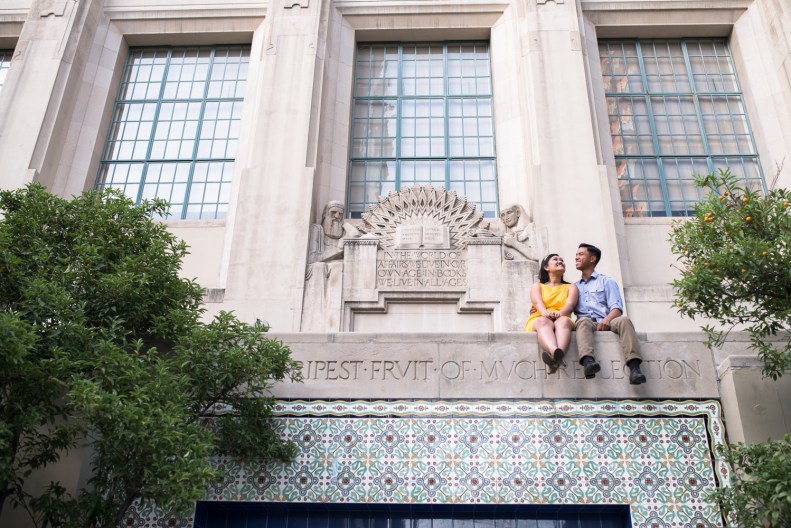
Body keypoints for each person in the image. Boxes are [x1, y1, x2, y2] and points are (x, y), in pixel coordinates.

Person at [573, 242, 646, 385]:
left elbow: (617, 308)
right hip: (587, 323)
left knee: (624, 320)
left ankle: (635, 368)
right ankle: (588, 363)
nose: (576, 257)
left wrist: (606, 320)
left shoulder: (606, 281)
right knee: (582, 321)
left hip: (608, 320)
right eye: (576, 255)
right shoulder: (573, 287)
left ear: (592, 258)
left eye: (581, 254)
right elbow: (564, 306)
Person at [525, 253, 578, 374]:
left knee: (564, 321)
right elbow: (537, 302)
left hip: (563, 316)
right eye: (555, 259)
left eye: (562, 260)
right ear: (546, 267)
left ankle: (555, 357)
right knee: (543, 321)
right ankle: (555, 352)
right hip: (540, 317)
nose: (560, 261)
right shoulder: (538, 286)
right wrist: (545, 313)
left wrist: (559, 313)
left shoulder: (571, 287)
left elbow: (570, 304)